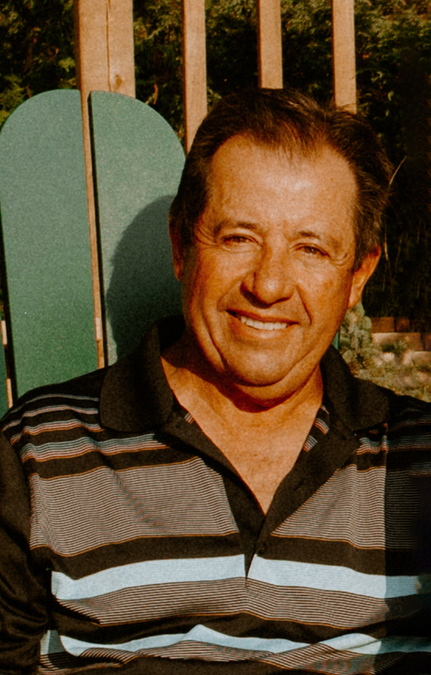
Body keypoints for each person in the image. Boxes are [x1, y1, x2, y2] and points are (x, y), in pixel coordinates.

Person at [0, 88, 430, 675]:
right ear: (181, 246)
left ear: (357, 276)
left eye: (311, 248)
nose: (269, 284)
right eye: (238, 238)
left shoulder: (415, 458)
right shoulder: (39, 452)